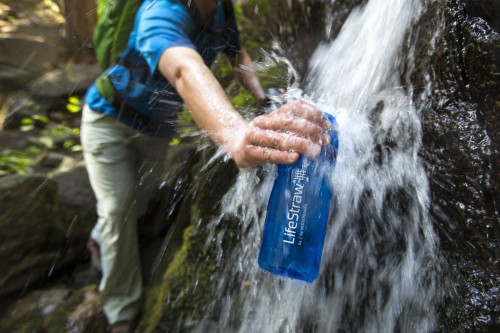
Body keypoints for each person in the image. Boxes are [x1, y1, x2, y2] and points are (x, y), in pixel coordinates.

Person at [81, 0, 331, 331]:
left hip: (155, 133)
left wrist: (264, 97)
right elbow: (184, 68)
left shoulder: (219, 11)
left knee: (133, 205)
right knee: (117, 208)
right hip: (108, 121)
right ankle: (120, 312)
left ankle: (100, 239)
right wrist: (236, 134)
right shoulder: (160, 12)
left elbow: (237, 56)